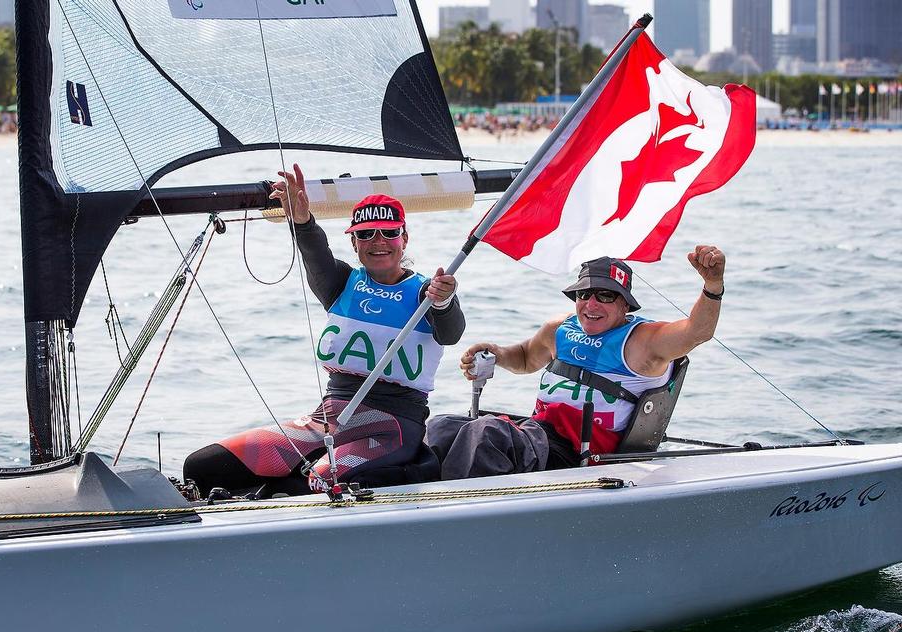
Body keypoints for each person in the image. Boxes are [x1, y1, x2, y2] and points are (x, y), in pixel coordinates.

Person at [184, 164, 465, 496]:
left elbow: (451, 334)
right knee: (203, 467)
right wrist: (301, 219)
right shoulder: (341, 283)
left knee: (318, 482)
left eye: (389, 232)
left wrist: (444, 302)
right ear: (354, 243)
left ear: (404, 238)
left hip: (391, 427)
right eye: (365, 234)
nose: (378, 242)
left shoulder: (426, 293)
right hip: (326, 422)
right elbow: (315, 252)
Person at [453, 246, 725, 471]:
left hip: (580, 453)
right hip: (538, 434)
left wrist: (712, 286)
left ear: (625, 304)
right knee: (444, 427)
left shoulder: (645, 340)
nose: (591, 305)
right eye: (584, 294)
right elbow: (524, 359)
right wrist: (498, 354)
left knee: (488, 433)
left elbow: (697, 332)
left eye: (605, 296)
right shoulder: (559, 328)